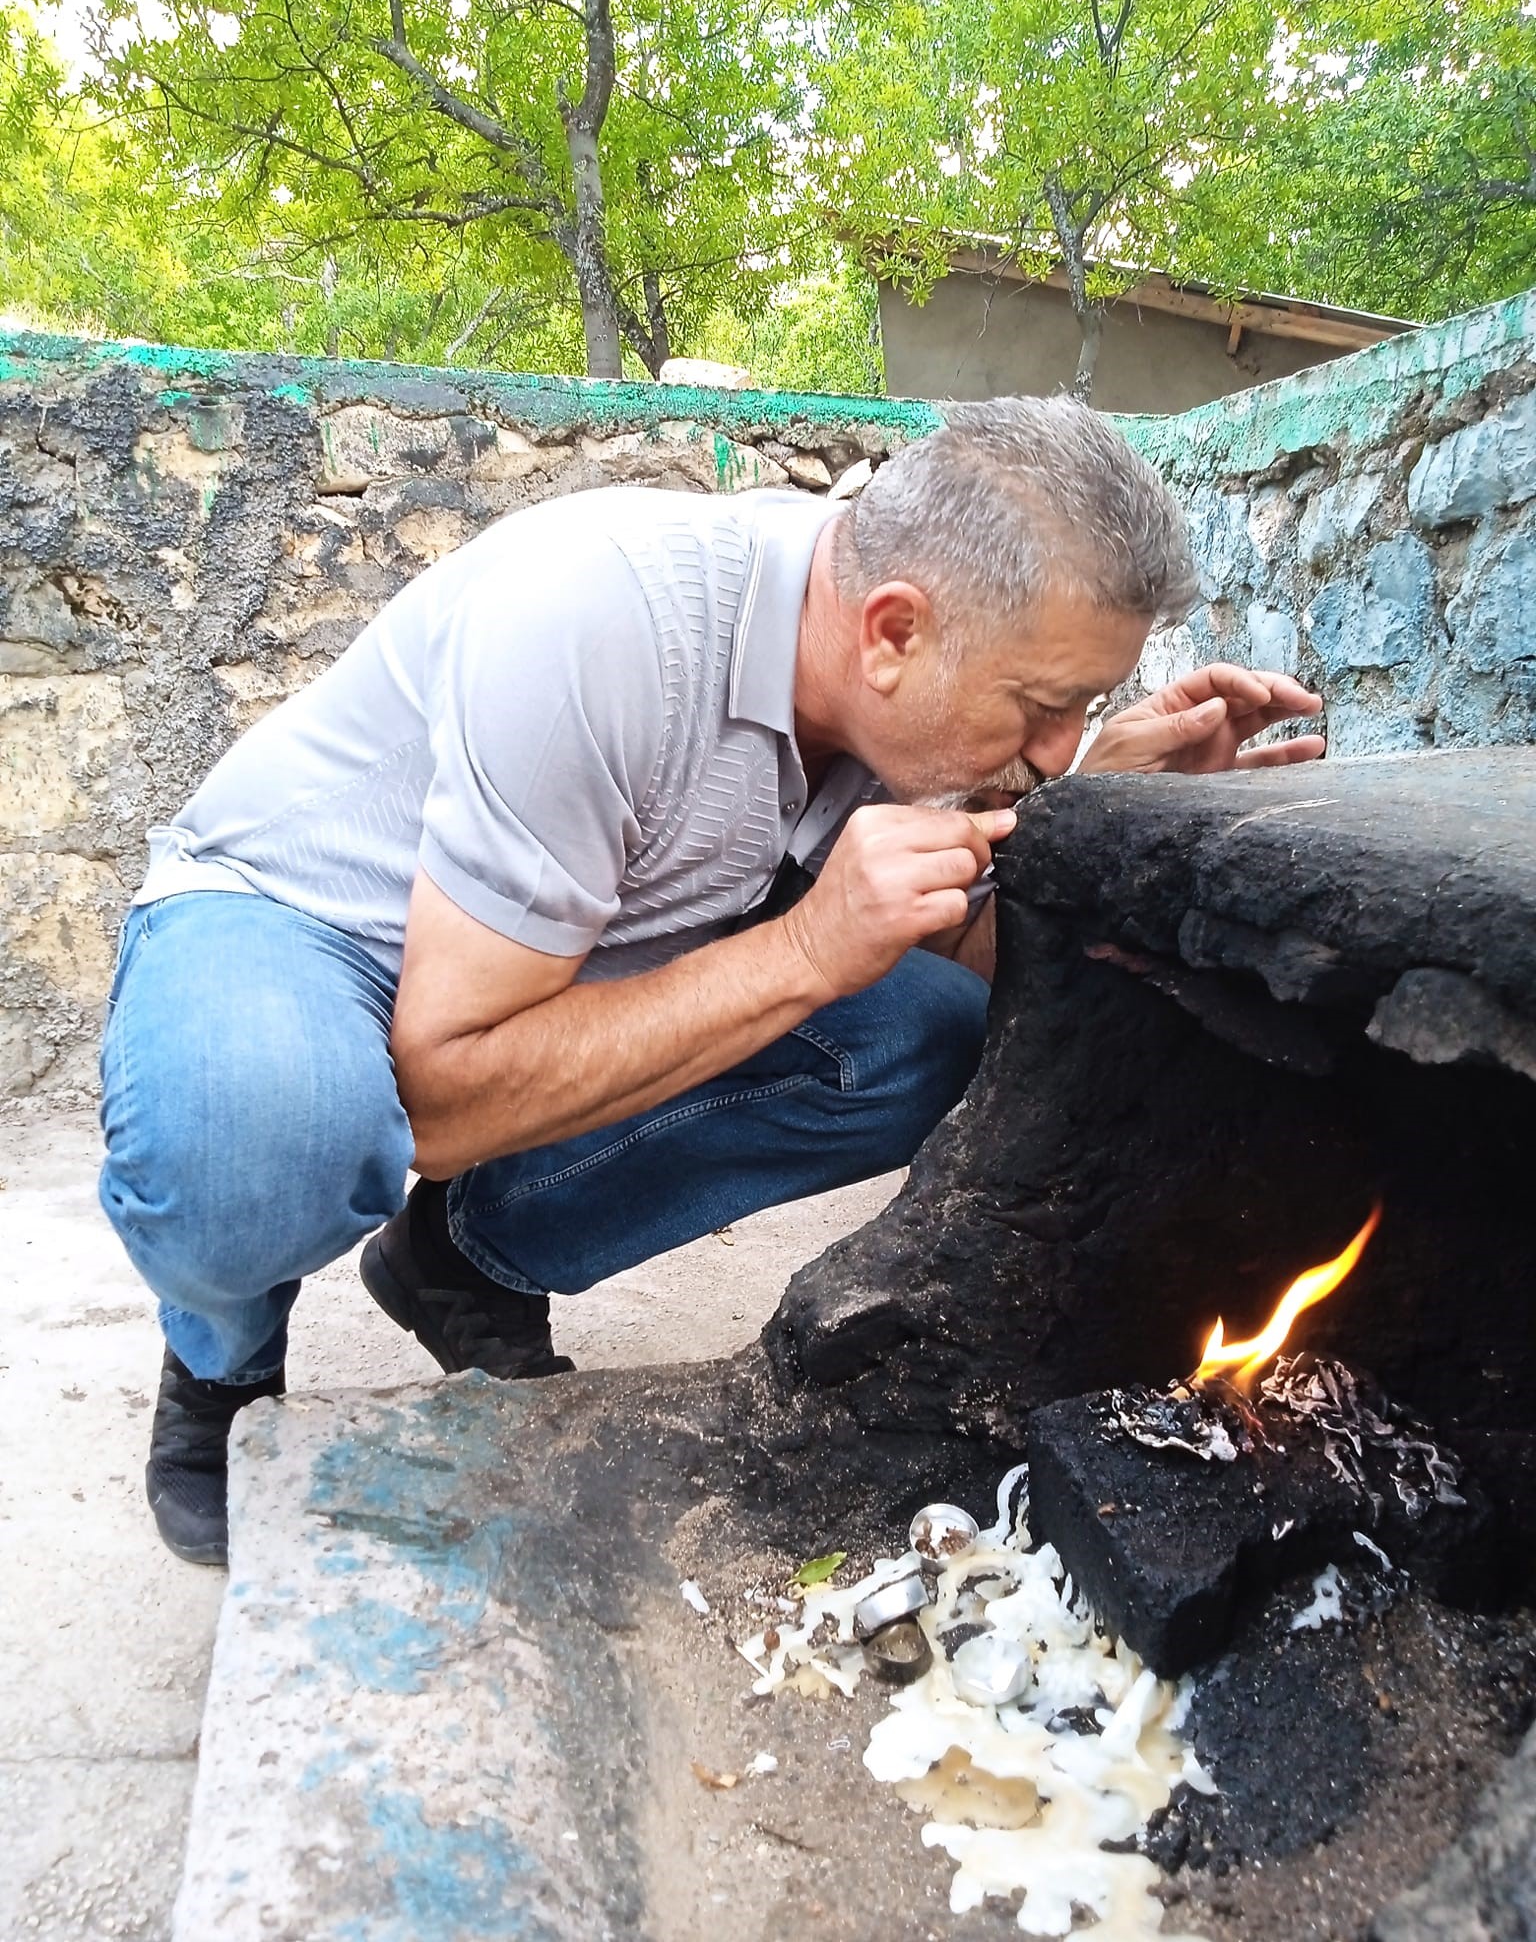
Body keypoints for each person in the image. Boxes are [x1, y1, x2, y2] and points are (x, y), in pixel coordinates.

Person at [97, 396, 1324, 1565]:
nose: (1054, 747)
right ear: (894, 630)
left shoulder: (895, 690)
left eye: (1086, 707)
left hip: (561, 954)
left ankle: (466, 1257)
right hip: (303, 917)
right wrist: (800, 949)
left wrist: (1107, 819)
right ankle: (223, 1353)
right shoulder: (602, 620)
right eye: (1044, 707)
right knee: (258, 1137)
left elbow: (970, 953)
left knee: (923, 1036)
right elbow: (443, 1098)